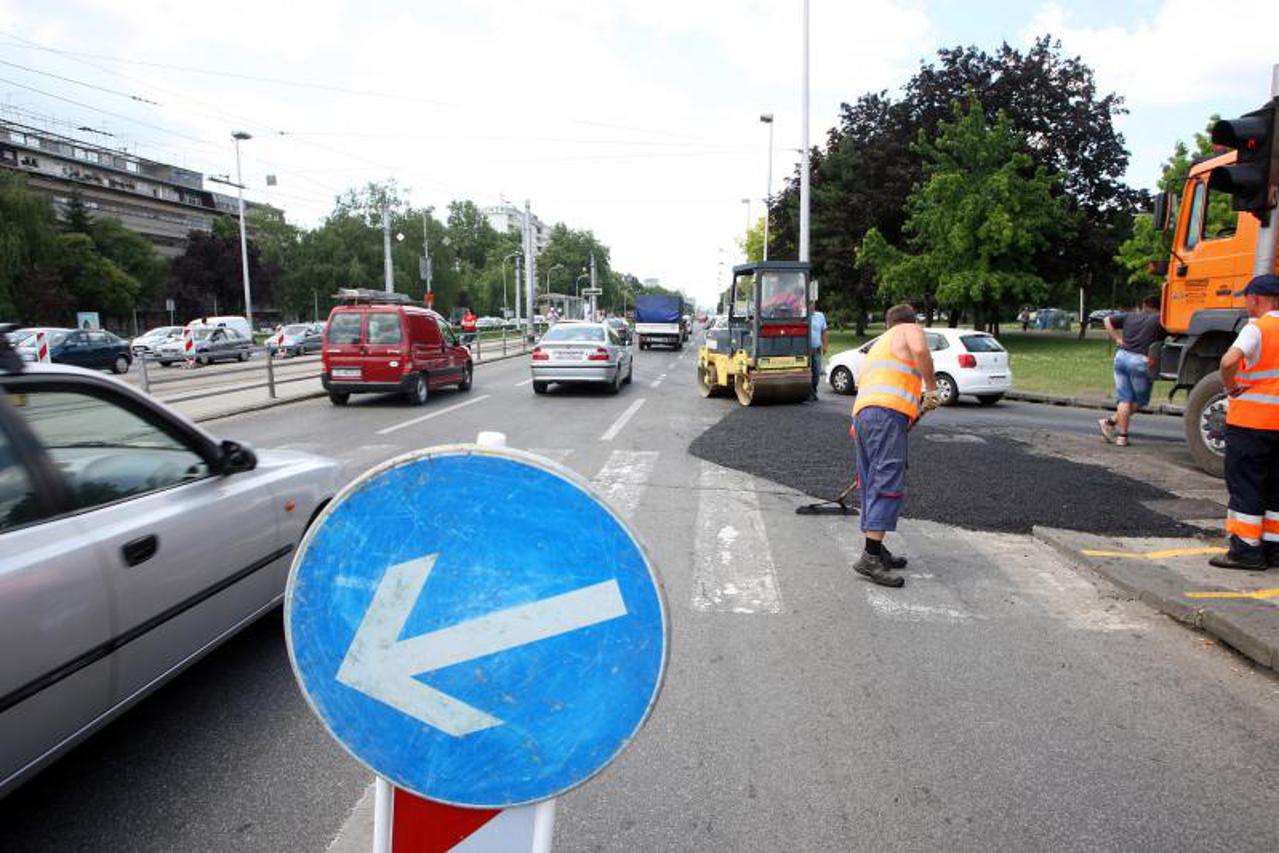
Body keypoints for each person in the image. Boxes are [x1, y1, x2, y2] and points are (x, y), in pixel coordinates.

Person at [850, 303, 939, 588]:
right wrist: (932, 388)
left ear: (887, 324)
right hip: (886, 415)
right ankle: (870, 557)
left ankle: (879, 548)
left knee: (871, 481)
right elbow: (921, 351)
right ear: (908, 322)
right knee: (887, 480)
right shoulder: (910, 329)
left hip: (864, 416)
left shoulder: (879, 345)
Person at [1211, 273, 1279, 570]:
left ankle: (1246, 549)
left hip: (1252, 422)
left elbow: (1228, 361)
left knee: (1247, 484)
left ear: (1256, 298)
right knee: (1276, 487)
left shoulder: (1258, 328)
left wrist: (1230, 385)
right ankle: (1274, 549)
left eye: (1247, 298)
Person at [1099, 294, 1164, 447]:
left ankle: (1121, 435)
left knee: (1124, 399)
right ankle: (1110, 422)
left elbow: (1106, 320)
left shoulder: (1130, 316)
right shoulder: (1159, 320)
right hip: (1140, 361)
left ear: (1143, 305)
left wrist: (1117, 338)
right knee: (1139, 401)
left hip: (1121, 357)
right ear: (1159, 307)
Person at [808, 299, 828, 401]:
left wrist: (825, 346)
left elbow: (824, 332)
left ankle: (814, 389)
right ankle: (811, 393)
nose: (812, 306)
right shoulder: (803, 317)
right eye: (810, 304)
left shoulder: (820, 316)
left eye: (813, 304)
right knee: (808, 372)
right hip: (806, 350)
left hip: (817, 349)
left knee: (816, 372)